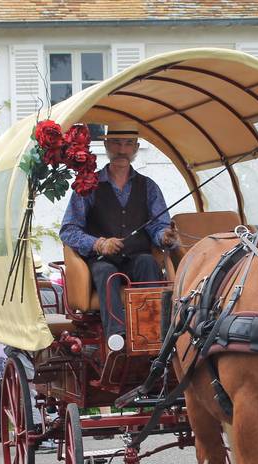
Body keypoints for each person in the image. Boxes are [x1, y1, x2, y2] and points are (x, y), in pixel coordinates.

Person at [59, 121, 178, 351]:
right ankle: (117, 336)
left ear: (136, 148)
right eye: (116, 143)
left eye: (128, 144)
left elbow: (158, 226)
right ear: (106, 145)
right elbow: (69, 230)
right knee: (106, 273)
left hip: (136, 257)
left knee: (148, 262)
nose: (122, 149)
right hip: (101, 261)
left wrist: (165, 237)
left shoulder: (148, 187)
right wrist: (99, 243)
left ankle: (154, 332)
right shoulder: (88, 185)